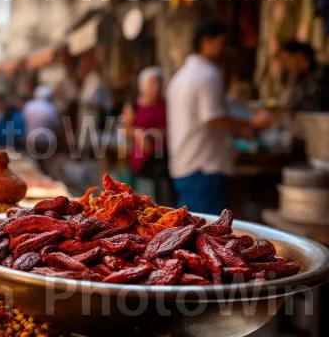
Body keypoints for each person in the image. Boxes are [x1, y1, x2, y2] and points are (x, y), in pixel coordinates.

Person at [166, 21, 270, 215]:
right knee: (208, 233)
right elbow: (213, 118)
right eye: (222, 43)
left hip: (185, 165)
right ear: (206, 42)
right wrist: (252, 124)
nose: (224, 49)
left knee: (190, 228)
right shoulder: (208, 74)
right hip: (205, 168)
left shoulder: (179, 77)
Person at [123, 67, 169, 203]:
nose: (156, 87)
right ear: (143, 85)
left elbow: (172, 130)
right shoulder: (133, 105)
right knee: (145, 198)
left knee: (164, 198)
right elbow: (126, 130)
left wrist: (153, 134)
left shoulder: (166, 104)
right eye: (152, 83)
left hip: (163, 159)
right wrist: (139, 133)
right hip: (142, 160)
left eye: (159, 83)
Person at [278, 40, 329, 112]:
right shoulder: (297, 79)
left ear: (299, 55)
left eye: (287, 60)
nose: (286, 65)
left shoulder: (324, 73)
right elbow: (292, 105)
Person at [23, 85, 62, 156]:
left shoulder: (28, 105)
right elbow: (57, 127)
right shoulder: (51, 108)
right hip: (45, 143)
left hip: (29, 141)